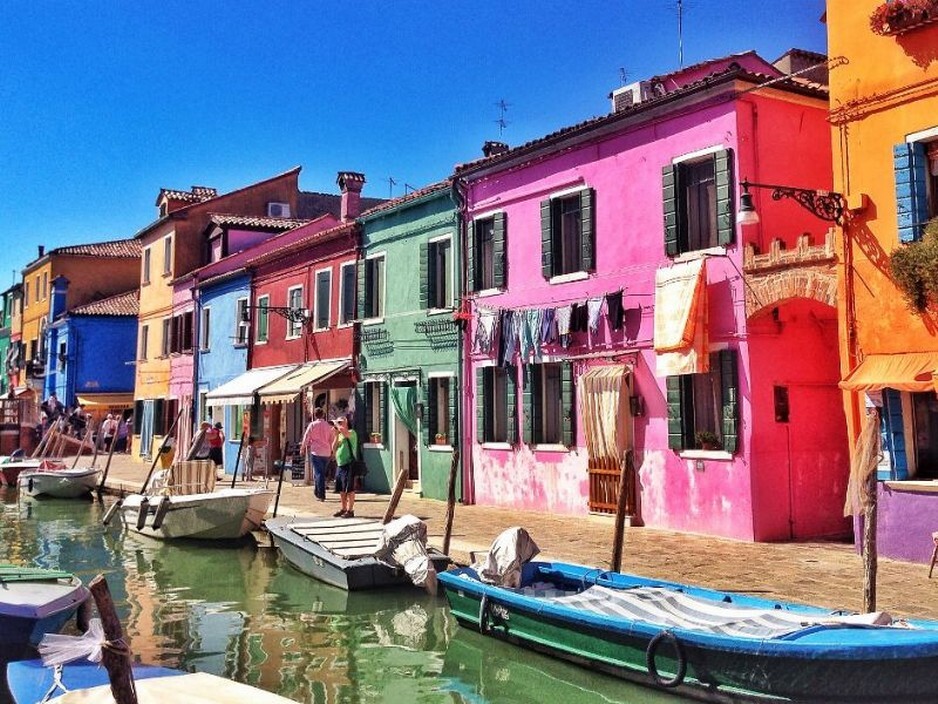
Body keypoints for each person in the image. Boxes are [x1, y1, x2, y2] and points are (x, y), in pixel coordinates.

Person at [300, 407, 335, 502]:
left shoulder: (312, 425)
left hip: (316, 451)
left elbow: (306, 436)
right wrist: (332, 450)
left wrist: (303, 448)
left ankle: (321, 494)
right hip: (326, 452)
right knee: (320, 473)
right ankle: (317, 491)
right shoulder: (328, 426)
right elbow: (332, 439)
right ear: (323, 415)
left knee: (319, 473)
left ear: (315, 415)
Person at [332, 416, 359, 518]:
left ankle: (350, 510)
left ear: (346, 422)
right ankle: (343, 508)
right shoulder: (340, 435)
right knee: (341, 489)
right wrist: (335, 435)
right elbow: (333, 448)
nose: (339, 424)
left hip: (348, 464)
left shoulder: (352, 432)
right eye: (338, 422)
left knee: (349, 488)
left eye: (341, 422)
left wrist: (337, 425)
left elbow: (346, 433)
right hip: (340, 464)